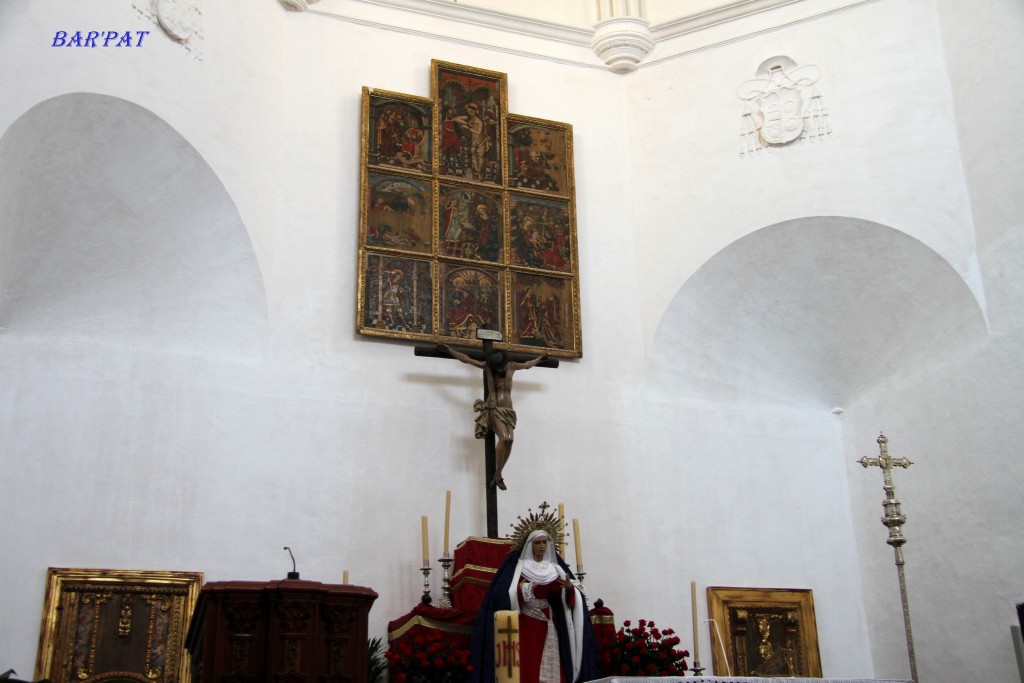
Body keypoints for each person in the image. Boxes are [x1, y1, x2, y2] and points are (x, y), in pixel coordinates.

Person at [469, 530, 600, 683]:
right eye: (538, 543)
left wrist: (569, 589)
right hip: (526, 623)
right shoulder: (519, 568)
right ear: (530, 545)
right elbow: (504, 594)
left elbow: (570, 597)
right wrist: (523, 590)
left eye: (545, 542)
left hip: (550, 621)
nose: (542, 546)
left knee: (554, 661)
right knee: (529, 662)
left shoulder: (555, 569)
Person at [440, 345, 545, 490]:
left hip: (509, 409)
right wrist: (450, 350)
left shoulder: (512, 366)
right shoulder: (488, 367)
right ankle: (498, 474)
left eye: (500, 367)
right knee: (505, 438)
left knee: (511, 440)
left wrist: (539, 359)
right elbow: (467, 359)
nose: (499, 369)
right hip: (494, 408)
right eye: (497, 367)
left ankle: (498, 474)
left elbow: (528, 365)